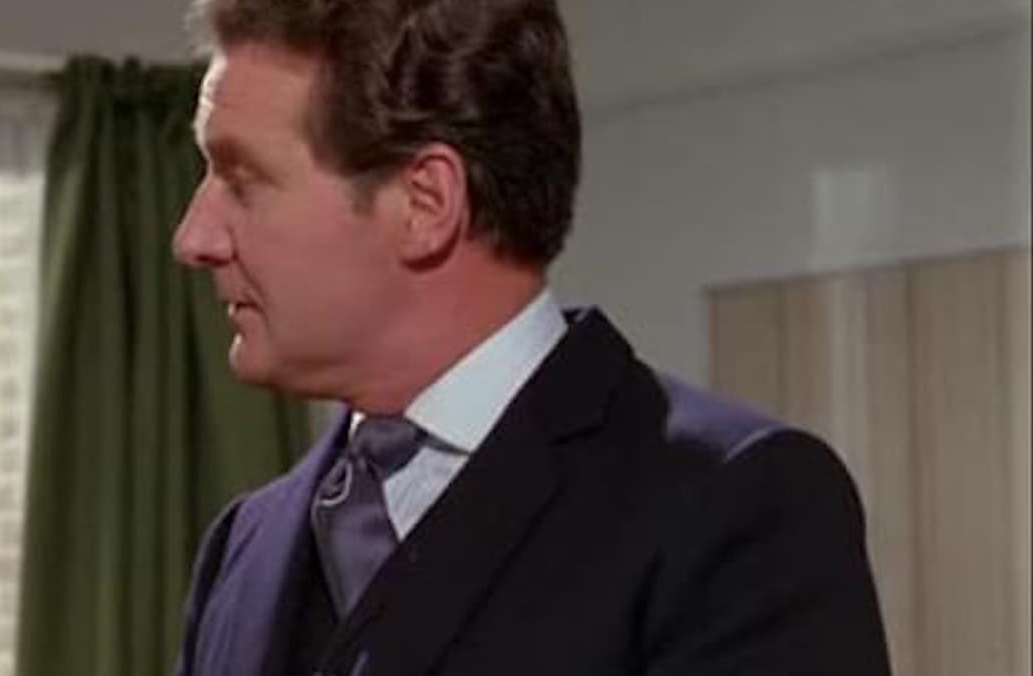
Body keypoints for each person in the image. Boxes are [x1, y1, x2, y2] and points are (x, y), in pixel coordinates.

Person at [169, 1, 890, 675]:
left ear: (426, 202)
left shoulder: (735, 510)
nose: (193, 238)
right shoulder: (242, 548)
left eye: (243, 180)